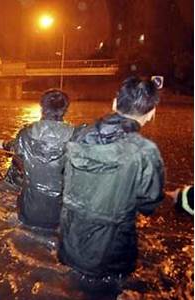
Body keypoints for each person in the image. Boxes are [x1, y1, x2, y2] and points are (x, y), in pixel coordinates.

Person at [58, 76, 164, 295]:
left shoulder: (79, 135)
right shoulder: (145, 152)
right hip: (111, 256)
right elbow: (149, 205)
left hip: (70, 245)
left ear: (115, 103)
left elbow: (64, 175)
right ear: (151, 113)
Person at [0, 89, 74, 229]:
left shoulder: (26, 134)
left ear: (42, 107)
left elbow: (10, 147)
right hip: (62, 213)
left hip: (29, 211)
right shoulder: (77, 136)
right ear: (65, 109)